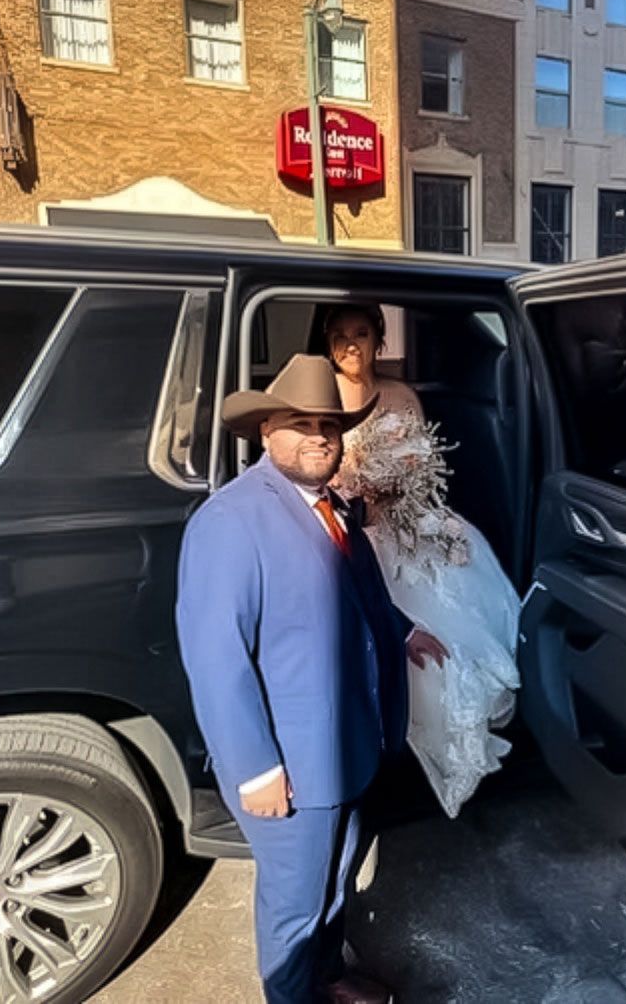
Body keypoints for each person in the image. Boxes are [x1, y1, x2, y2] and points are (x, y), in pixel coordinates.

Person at [175, 353, 445, 1004]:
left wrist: (401, 631)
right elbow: (215, 655)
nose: (319, 437)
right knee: (294, 907)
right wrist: (255, 768)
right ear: (267, 430)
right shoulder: (232, 520)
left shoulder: (333, 507)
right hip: (290, 762)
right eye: (301, 423)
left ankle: (328, 976)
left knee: (337, 876)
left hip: (348, 742)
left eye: (329, 425)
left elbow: (361, 595)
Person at [323, 305, 521, 819]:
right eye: (340, 335)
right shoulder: (320, 398)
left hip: (408, 517)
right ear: (328, 344)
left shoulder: (401, 395)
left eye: (361, 333)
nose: (350, 345)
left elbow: (422, 464)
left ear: (379, 340)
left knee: (460, 558)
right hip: (357, 530)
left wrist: (403, 489)